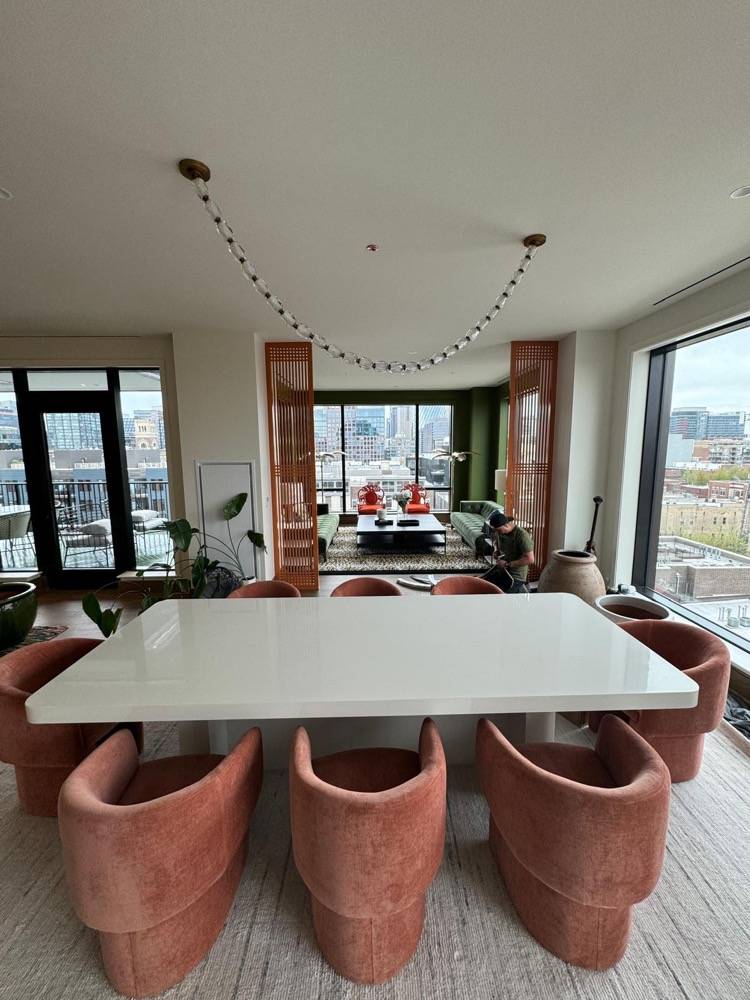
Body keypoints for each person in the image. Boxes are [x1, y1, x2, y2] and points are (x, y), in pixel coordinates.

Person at [480, 511, 534, 593]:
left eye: (498, 530)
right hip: (503, 571)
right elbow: (496, 543)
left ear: (506, 525)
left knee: (500, 595)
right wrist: (496, 551)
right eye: (495, 530)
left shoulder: (522, 536)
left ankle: (522, 589)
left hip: (516, 576)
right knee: (482, 584)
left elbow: (530, 559)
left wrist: (507, 564)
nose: (497, 532)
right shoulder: (500, 532)